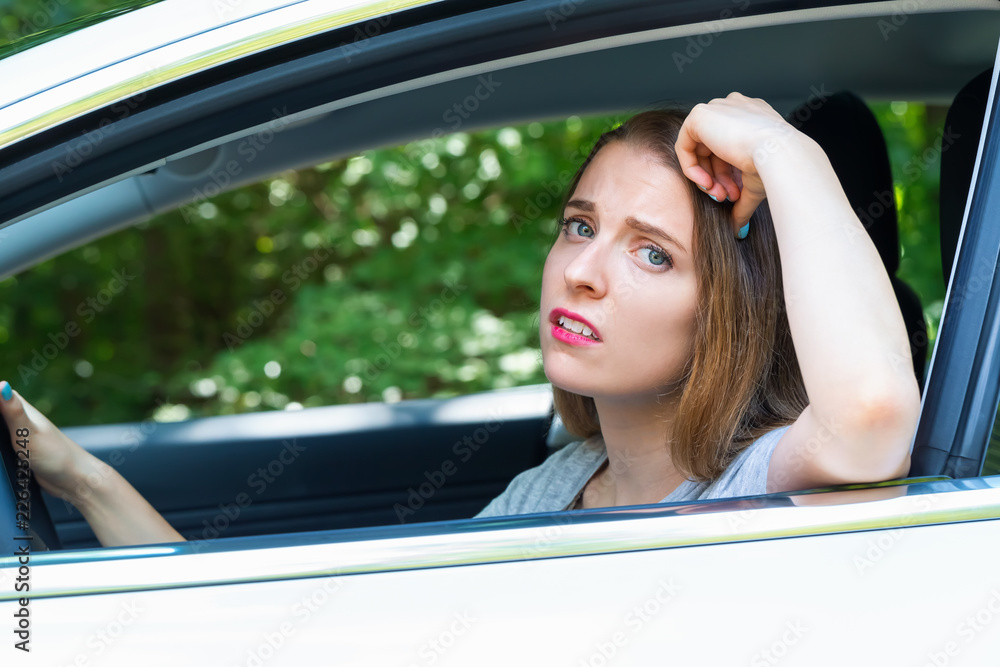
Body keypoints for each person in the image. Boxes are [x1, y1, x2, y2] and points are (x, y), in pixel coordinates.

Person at [0, 93, 921, 544]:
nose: (582, 273)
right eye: (578, 225)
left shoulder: (751, 486)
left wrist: (778, 146)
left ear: (728, 313)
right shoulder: (555, 487)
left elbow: (874, 412)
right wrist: (77, 475)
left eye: (652, 253)